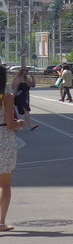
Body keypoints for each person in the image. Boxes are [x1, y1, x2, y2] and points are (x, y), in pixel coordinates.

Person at [0, 64, 28, 231]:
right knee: (4, 184)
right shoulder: (7, 97)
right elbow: (10, 125)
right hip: (4, 139)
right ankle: (1, 222)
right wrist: (21, 124)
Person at [13, 66, 38, 131]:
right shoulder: (18, 78)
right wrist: (12, 98)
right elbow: (15, 88)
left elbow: (33, 85)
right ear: (22, 71)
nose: (27, 72)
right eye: (26, 70)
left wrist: (32, 77)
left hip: (26, 96)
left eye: (27, 70)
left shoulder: (26, 79)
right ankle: (30, 125)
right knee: (26, 110)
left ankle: (24, 125)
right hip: (19, 96)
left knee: (24, 111)